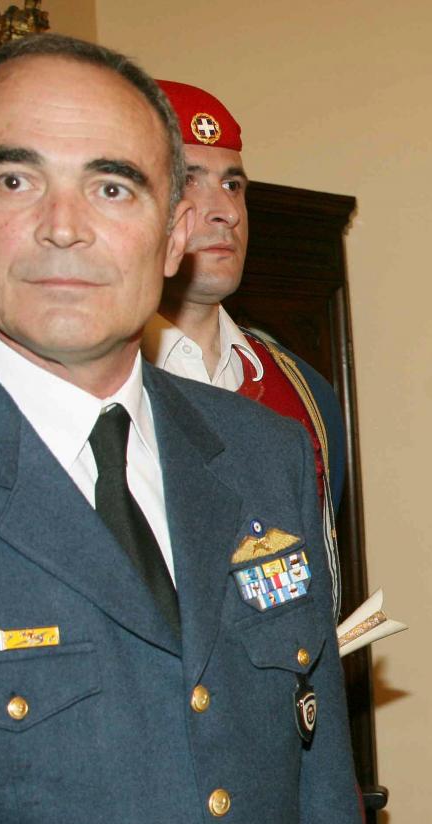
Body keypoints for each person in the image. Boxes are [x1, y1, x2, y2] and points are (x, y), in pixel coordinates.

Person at [0, 35, 362, 824]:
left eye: (111, 187)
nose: (62, 227)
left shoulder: (262, 454)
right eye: (16, 180)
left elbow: (320, 784)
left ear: (173, 235)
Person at [142, 80, 346, 619]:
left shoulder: (304, 392)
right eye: (188, 180)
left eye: (233, 185)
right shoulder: (101, 383)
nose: (225, 211)